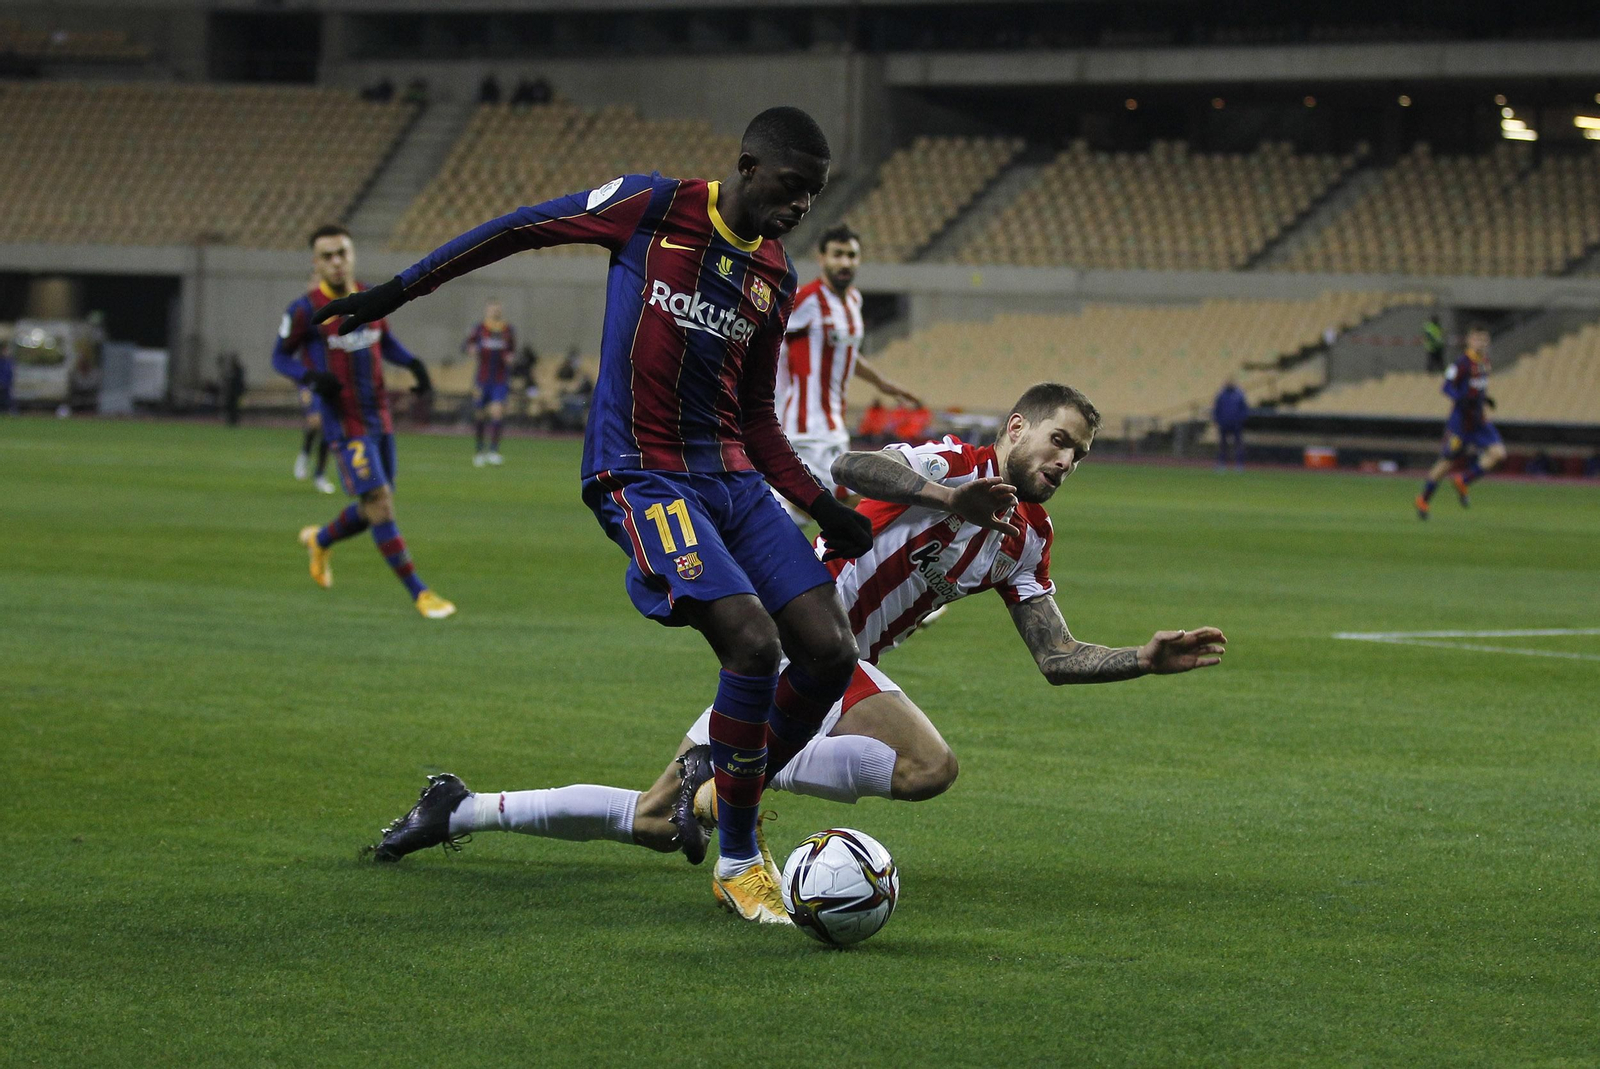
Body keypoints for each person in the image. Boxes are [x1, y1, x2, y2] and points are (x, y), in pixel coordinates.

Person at [363, 383, 1227, 925]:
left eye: (1081, 453)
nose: (1068, 460)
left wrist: (1141, 660)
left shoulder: (1027, 539)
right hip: (800, 632)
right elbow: (853, 464)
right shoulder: (952, 461)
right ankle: (736, 773)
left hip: (824, 673)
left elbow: (1055, 654)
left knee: (662, 820)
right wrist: (942, 495)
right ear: (1016, 427)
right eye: (1060, 439)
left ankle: (462, 808)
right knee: (928, 764)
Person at [317, 107, 875, 923]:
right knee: (753, 642)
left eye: (814, 196)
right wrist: (399, 292)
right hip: (641, 473)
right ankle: (741, 857)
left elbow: (758, 417)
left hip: (732, 477)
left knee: (828, 652)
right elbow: (519, 228)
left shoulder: (775, 274)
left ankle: (720, 779)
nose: (801, 208)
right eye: (794, 189)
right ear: (750, 165)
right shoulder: (655, 207)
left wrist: (823, 502)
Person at [272, 224, 455, 620]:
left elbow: (383, 340)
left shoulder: (370, 297)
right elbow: (279, 357)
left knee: (375, 505)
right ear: (315, 262)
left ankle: (320, 540)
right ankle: (420, 594)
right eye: (327, 256)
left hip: (380, 417)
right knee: (381, 504)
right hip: (344, 422)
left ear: (352, 255)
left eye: (342, 253)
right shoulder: (304, 310)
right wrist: (310, 377)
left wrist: (413, 364)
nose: (336, 262)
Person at [774, 223, 921, 521]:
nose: (845, 262)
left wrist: (883, 383)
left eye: (851, 255)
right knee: (834, 508)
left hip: (833, 427)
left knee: (830, 510)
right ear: (821, 258)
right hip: (805, 428)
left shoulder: (854, 300)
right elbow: (764, 336)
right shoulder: (805, 300)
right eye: (837, 255)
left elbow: (846, 354)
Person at [1415, 322, 1505, 519]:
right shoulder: (1461, 363)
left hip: (1479, 421)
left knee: (1498, 453)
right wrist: (1460, 398)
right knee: (1446, 463)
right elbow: (1446, 387)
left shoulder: (1484, 363)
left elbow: (1477, 387)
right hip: (1461, 424)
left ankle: (1464, 480)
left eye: (1484, 340)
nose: (1481, 343)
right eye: (1477, 339)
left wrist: (1484, 399)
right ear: (1469, 340)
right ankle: (1423, 498)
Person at [464, 299, 516, 466]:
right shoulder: (479, 329)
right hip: (482, 378)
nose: (495, 312)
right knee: (479, 414)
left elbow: (512, 351)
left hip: (500, 379)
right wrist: (470, 349)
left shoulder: (507, 330)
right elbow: (467, 345)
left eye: (497, 309)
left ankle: (493, 451)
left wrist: (510, 358)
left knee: (497, 412)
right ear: (487, 310)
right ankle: (479, 451)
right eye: (492, 309)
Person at [1212, 378, 1248, 470]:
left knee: (1238, 445)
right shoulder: (1221, 395)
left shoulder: (1239, 395)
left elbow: (1244, 409)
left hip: (1236, 425)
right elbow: (1216, 409)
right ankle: (1221, 464)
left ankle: (1239, 464)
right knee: (1223, 445)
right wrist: (1218, 420)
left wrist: (1240, 420)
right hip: (1223, 424)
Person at [220, 353, 246, 427]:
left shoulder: (238, 370)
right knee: (230, 406)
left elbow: (239, 382)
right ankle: (231, 421)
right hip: (231, 392)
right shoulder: (232, 370)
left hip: (236, 392)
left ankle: (234, 421)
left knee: (234, 407)